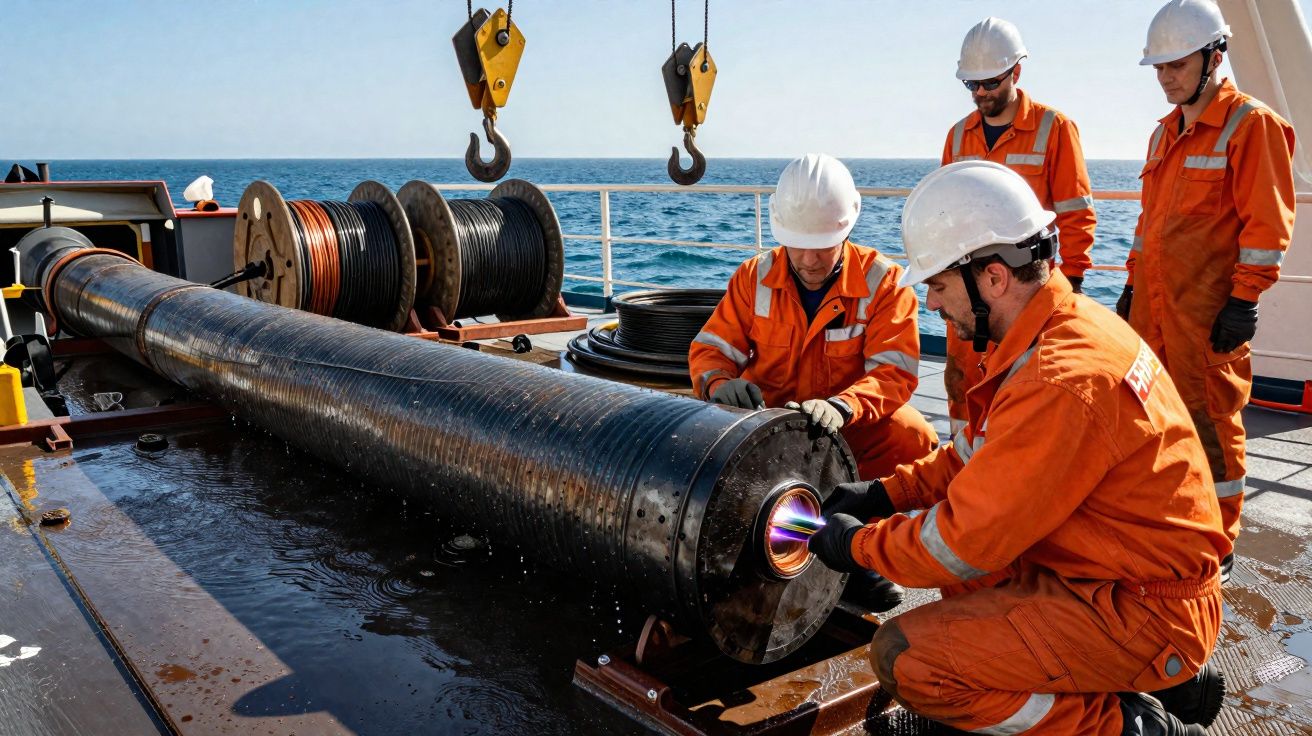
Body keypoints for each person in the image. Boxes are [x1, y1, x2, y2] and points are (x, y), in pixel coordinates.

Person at [808, 161, 1230, 735]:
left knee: (909, 658)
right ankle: (1158, 681)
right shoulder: (1061, 327)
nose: (931, 304)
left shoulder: (1058, 381)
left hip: (1143, 608)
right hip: (1113, 574)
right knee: (968, 582)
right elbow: (975, 457)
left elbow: (961, 542)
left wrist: (856, 545)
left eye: (938, 285)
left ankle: (1132, 725)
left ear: (993, 278)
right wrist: (884, 493)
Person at [689, 153, 938, 613]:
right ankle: (788, 538)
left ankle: (855, 548)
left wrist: (844, 405)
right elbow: (712, 349)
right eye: (797, 245)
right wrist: (718, 383)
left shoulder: (885, 283)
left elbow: (894, 373)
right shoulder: (753, 277)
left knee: (914, 437)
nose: (808, 260)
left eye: (821, 246)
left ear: (847, 230)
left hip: (845, 428)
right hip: (767, 434)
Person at [1119, 0, 1296, 561]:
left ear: (1214, 57)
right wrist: (1130, 286)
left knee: (1212, 424)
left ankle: (1218, 544)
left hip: (1207, 315)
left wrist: (1244, 299)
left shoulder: (1251, 125)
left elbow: (1267, 224)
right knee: (1153, 418)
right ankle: (1171, 521)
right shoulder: (1162, 136)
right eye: (1159, 67)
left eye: (1177, 65)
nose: (1165, 78)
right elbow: (1149, 225)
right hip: (1152, 312)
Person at [940, 17, 1098, 435]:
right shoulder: (957, 136)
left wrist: (1074, 280)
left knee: (1024, 383)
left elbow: (1076, 214)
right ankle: (963, 463)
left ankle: (1013, 460)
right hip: (969, 287)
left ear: (1016, 72)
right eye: (971, 84)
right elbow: (944, 213)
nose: (980, 93)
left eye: (989, 83)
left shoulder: (1055, 129)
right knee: (962, 381)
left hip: (1025, 291)